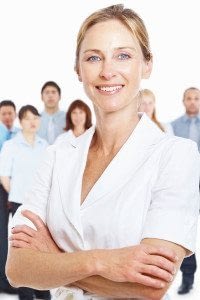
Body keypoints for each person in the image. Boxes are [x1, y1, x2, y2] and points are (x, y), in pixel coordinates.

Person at [6, 5, 200, 300]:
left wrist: (55, 259)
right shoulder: (58, 155)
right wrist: (101, 262)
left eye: (123, 55)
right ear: (78, 70)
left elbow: (151, 286)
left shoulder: (176, 155)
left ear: (147, 65)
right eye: (94, 57)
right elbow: (17, 268)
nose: (108, 71)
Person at [0, 105, 50, 300]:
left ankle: (42, 289)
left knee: (41, 248)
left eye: (35, 118)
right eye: (28, 118)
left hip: (41, 204)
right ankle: (25, 293)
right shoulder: (11, 145)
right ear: (21, 121)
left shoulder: (44, 144)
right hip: (21, 203)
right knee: (21, 249)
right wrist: (17, 194)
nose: (32, 121)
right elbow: (4, 175)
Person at [171, 87, 200, 295]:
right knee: (185, 229)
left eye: (196, 98)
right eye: (189, 98)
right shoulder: (173, 127)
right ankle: (187, 278)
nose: (192, 102)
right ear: (183, 101)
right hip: (184, 184)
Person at [0, 100, 19, 295]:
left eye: (9, 113)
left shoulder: (18, 134)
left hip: (16, 186)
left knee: (14, 232)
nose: (7, 117)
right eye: (3, 113)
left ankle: (10, 277)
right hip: (2, 186)